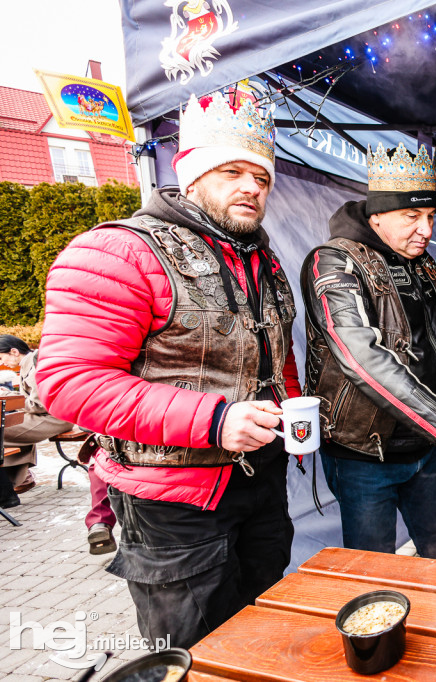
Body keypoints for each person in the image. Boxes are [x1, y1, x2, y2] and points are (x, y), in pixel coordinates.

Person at [36, 90, 301, 648]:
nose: (252, 186)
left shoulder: (264, 260)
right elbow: (68, 382)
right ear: (191, 174)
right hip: (173, 504)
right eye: (232, 170)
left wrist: (291, 415)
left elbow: (271, 359)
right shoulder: (119, 251)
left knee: (261, 640)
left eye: (262, 176)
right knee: (195, 651)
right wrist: (213, 420)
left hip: (261, 488)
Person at [302, 142, 436, 560]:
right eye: (412, 216)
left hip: (423, 447)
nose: (425, 229)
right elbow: (362, 357)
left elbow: (433, 347)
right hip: (363, 455)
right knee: (375, 571)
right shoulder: (333, 262)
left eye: (429, 217)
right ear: (376, 217)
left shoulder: (423, 263)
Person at [0, 334, 74, 493]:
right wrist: (10, 395)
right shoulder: (31, 362)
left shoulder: (34, 365)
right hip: (51, 416)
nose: (2, 362)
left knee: (3, 429)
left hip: (53, 418)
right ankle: (22, 479)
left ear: (13, 351)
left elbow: (38, 405)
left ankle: (18, 481)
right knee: (9, 425)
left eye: (1, 357)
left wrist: (7, 398)